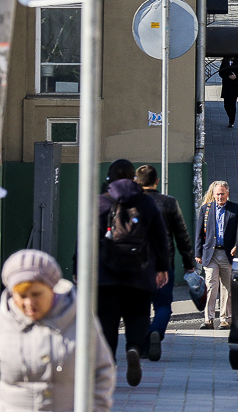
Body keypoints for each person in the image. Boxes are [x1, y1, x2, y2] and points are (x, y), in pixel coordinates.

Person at [0, 250, 115, 411]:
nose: (29, 302)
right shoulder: (4, 322)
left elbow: (102, 370)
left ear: (53, 288)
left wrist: (96, 408)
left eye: (36, 294)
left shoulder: (79, 317)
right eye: (22, 295)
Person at [96, 160, 170, 387]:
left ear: (109, 179)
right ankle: (134, 349)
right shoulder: (146, 202)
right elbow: (160, 238)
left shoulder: (101, 203)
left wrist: (79, 269)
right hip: (140, 273)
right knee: (137, 317)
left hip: (107, 275)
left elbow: (85, 240)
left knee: (107, 321)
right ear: (133, 178)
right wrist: (161, 268)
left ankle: (109, 365)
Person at [134, 165, 194, 362]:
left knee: (139, 308)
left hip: (136, 265)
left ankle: (141, 346)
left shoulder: (130, 203)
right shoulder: (169, 202)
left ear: (137, 181)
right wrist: (188, 262)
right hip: (163, 264)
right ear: (156, 181)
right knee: (163, 305)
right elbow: (182, 234)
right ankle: (156, 332)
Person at [194, 181, 238, 330]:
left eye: (222, 194)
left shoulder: (235, 209)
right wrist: (198, 253)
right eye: (217, 194)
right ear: (213, 195)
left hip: (228, 254)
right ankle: (208, 320)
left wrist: (237, 246)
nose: (220, 197)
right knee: (210, 286)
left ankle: (225, 319)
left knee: (227, 288)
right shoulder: (205, 210)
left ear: (227, 194)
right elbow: (199, 233)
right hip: (210, 253)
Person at [218, 56, 238, 128]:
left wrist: (236, 77)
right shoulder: (225, 62)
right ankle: (230, 116)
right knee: (226, 104)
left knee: (232, 104)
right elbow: (221, 72)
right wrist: (227, 77)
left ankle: (231, 120)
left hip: (235, 86)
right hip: (226, 85)